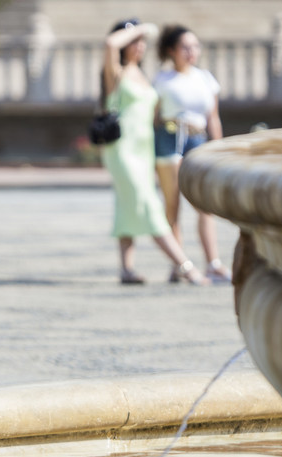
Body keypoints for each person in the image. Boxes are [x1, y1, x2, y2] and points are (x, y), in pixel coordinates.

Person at [99, 19, 208, 286]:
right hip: (122, 150)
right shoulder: (116, 72)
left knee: (126, 205)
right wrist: (140, 28)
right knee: (148, 205)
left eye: (142, 42)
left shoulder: (144, 75)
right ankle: (186, 266)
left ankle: (126, 269)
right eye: (134, 42)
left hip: (145, 149)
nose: (139, 46)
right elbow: (110, 43)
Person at [153, 24, 232, 284]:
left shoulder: (205, 78)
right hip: (170, 137)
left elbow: (213, 118)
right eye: (185, 47)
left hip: (197, 139)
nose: (191, 52)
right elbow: (153, 117)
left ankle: (213, 262)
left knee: (203, 204)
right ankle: (180, 264)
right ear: (172, 51)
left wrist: (219, 149)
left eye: (194, 46)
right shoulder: (162, 80)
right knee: (172, 204)